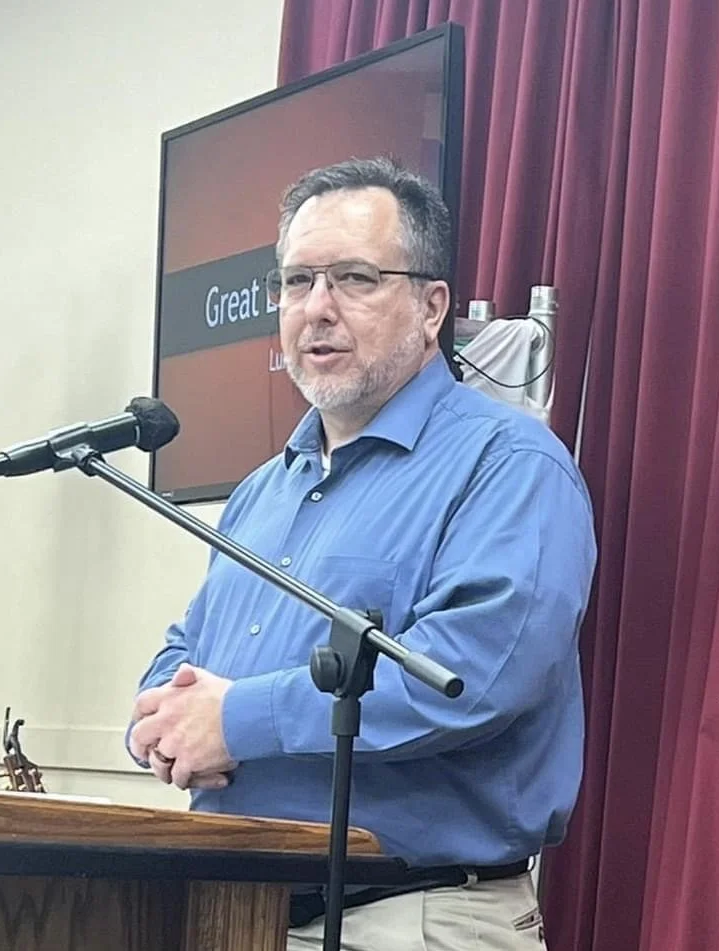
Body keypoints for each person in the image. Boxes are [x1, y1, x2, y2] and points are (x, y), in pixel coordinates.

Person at [128, 156, 597, 950]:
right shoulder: (262, 490)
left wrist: (235, 719)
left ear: (431, 306)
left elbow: (470, 677)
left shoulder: (509, 465)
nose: (317, 308)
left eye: (354, 278)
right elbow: (190, 648)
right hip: (230, 911)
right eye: (297, 281)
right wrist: (158, 722)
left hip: (408, 915)